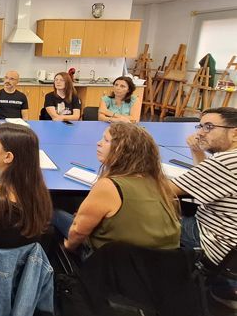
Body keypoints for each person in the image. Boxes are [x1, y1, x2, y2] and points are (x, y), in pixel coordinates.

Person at [55, 122, 180, 254]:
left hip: (115, 261)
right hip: (166, 262)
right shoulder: (160, 183)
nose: (98, 143)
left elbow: (78, 231)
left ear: (122, 150)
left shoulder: (109, 186)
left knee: (54, 214)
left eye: (106, 140)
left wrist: (68, 246)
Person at [170, 107, 237, 309]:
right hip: (232, 251)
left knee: (152, 218)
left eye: (209, 127)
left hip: (216, 242)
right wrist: (197, 151)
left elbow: (166, 189)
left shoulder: (225, 162)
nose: (200, 133)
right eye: (200, 126)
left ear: (234, 133)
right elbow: (206, 179)